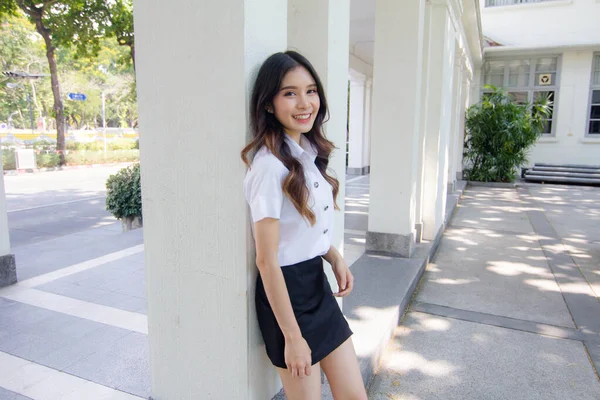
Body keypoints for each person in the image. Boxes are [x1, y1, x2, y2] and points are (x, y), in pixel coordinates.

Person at [241, 51, 368, 400]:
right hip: (285, 295)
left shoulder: (307, 154)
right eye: (289, 93)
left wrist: (333, 255)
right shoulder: (268, 168)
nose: (304, 102)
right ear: (269, 104)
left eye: (311, 91)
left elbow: (302, 229)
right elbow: (267, 259)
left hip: (315, 282)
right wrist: (293, 338)